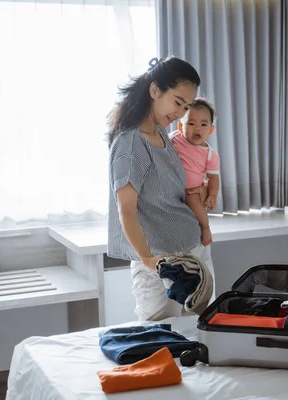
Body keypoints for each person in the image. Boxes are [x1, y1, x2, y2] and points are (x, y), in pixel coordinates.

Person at [106, 56, 215, 321]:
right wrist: (148, 261)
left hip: (193, 254)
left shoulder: (162, 135)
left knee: (201, 340)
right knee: (160, 343)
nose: (180, 113)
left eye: (186, 106)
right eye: (177, 102)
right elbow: (127, 212)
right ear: (155, 90)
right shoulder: (131, 145)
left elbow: (171, 194)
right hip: (161, 265)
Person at [169, 98, 220, 246]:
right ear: (180, 126)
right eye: (191, 123)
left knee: (195, 204)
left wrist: (212, 195)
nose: (197, 128)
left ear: (211, 129)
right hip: (171, 188)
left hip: (192, 191)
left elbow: (213, 178)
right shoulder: (173, 139)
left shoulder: (210, 154)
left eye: (203, 124)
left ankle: (205, 228)